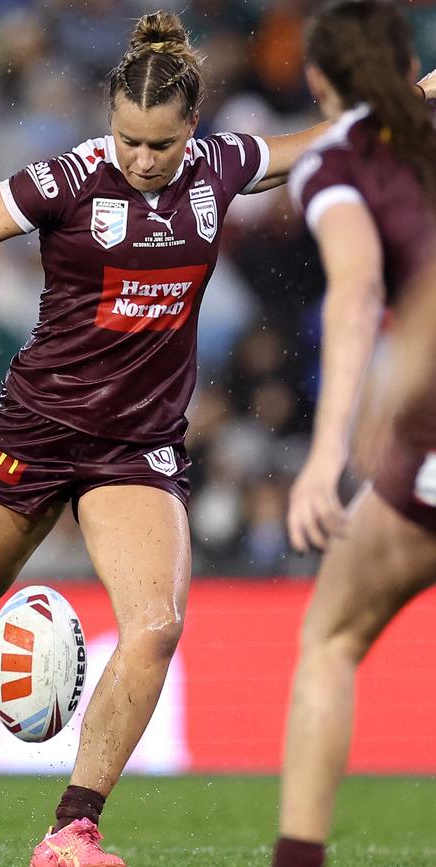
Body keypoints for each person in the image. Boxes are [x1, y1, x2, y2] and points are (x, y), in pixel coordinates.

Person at [0, 9, 390, 867]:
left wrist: (408, 102)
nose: (141, 159)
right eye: (127, 140)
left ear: (193, 127)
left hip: (136, 449)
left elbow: (322, 141)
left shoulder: (221, 168)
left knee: (154, 627)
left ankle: (71, 829)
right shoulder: (68, 180)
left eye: (158, 143)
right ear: (109, 122)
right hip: (36, 430)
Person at [271, 3, 436, 866]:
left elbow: (355, 288)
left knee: (332, 638)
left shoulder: (334, 162)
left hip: (428, 445)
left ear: (317, 84)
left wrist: (328, 450)